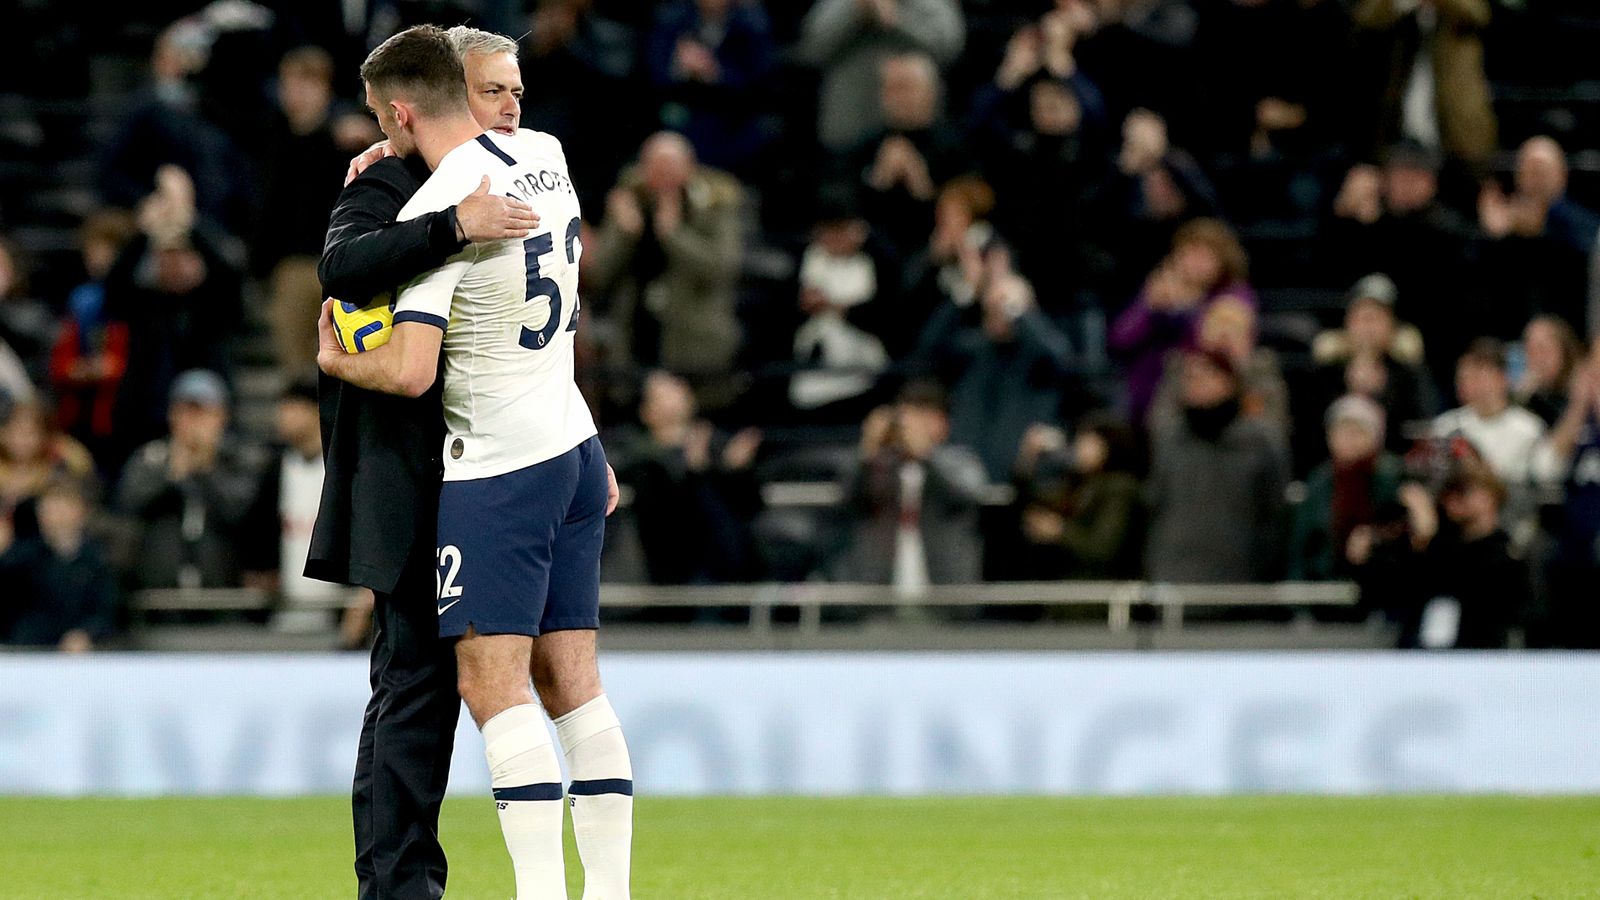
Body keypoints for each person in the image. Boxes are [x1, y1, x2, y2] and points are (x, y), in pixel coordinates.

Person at [316, 27, 631, 898]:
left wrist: (340, 362)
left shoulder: (441, 203)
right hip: (569, 443)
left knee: (490, 687)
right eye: (496, 89)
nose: (512, 104)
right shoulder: (550, 155)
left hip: (495, 466)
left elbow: (410, 368)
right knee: (576, 686)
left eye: (515, 90)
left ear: (405, 110)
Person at [586, 131, 745, 389]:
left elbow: (722, 269)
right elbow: (599, 275)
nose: (662, 180)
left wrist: (674, 235)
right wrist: (624, 235)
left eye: (670, 170)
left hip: (694, 344)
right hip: (635, 338)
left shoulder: (716, 204)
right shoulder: (630, 201)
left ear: (690, 168)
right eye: (655, 170)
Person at [1144, 348, 1289, 583]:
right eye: (1190, 377)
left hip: (1241, 578)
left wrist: (1264, 569)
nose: (1196, 384)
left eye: (1206, 375)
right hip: (1174, 575)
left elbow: (1274, 514)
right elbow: (1157, 505)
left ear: (1230, 382)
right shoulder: (1170, 441)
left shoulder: (1260, 443)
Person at [113, 370, 265, 591]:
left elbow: (242, 514)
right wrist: (170, 475)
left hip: (225, 590)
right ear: (172, 415)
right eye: (186, 413)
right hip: (158, 591)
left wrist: (206, 470)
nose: (193, 424)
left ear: (222, 416)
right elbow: (127, 506)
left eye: (202, 413)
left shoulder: (242, 460)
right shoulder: (151, 459)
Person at [835, 380, 987, 590]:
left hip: (946, 593)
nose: (914, 427)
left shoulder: (961, 461)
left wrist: (926, 455)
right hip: (878, 593)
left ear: (944, 423)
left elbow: (969, 495)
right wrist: (868, 449)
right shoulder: (878, 466)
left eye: (925, 417)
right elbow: (847, 498)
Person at [1109, 217, 1253, 425]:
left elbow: (1213, 347)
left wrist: (1186, 308)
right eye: (1189, 253)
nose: (1194, 263)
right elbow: (1119, 341)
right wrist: (1149, 308)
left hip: (1197, 405)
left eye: (1204, 256)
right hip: (1142, 397)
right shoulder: (1160, 289)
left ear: (1222, 260)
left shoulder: (1234, 298)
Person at [798, 0, 965, 152]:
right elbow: (810, 49)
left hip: (920, 138)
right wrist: (855, 11)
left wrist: (898, 19)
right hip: (848, 130)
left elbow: (950, 46)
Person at [1288, 394, 1405, 583]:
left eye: (1358, 431)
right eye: (1342, 431)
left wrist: (1374, 539)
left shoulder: (1392, 477)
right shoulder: (1319, 483)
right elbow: (1300, 546)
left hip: (1382, 585)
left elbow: (1401, 531)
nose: (1349, 439)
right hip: (1326, 588)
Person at [1012, 415, 1142, 581]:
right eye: (1079, 442)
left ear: (1108, 445)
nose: (1080, 449)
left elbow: (1103, 547)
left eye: (1088, 443)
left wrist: (1059, 531)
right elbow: (1028, 498)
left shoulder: (1120, 488)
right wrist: (1029, 456)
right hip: (1067, 587)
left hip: (1099, 592)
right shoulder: (1078, 485)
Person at [0, 475, 119, 652]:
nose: (56, 515)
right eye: (49, 507)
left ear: (81, 511)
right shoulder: (19, 557)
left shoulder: (99, 559)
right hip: (24, 652)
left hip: (82, 654)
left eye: (64, 506)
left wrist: (87, 633)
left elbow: (107, 610)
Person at [1516, 314, 1585, 426]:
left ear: (1564, 350)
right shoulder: (1529, 398)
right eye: (1530, 351)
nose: (1537, 359)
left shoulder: (1586, 386)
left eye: (1543, 349)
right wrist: (1520, 401)